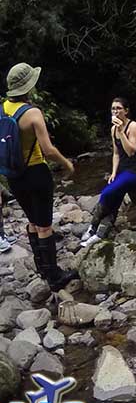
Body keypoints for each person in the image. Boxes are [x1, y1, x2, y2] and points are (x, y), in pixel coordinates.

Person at [2, 64, 76, 289]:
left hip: (15, 175)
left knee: (32, 222)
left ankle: (42, 268)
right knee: (45, 225)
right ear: (29, 86)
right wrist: (66, 164)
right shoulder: (32, 113)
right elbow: (48, 150)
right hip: (36, 172)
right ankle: (54, 277)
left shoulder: (3, 107)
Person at [80, 97, 136, 249]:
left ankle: (94, 226)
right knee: (115, 197)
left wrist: (121, 131)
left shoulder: (133, 127)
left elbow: (131, 151)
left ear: (126, 111)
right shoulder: (113, 130)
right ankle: (98, 233)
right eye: (113, 109)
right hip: (123, 169)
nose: (115, 111)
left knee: (107, 193)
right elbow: (116, 154)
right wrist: (113, 172)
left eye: (119, 108)